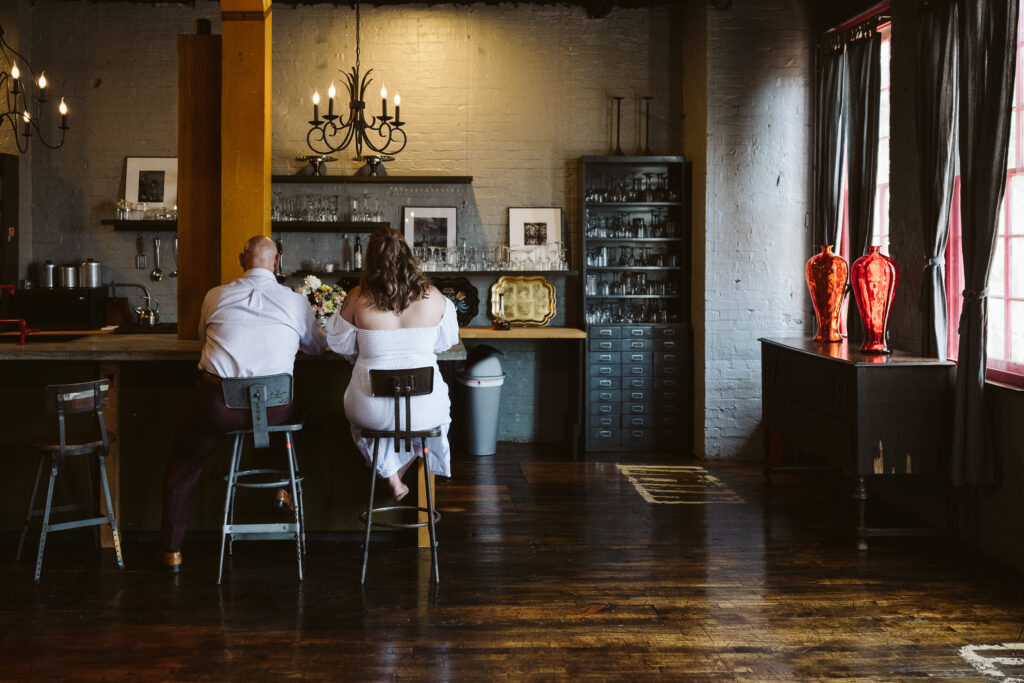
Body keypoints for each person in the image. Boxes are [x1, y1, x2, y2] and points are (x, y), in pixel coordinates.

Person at [157, 235, 327, 572]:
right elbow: (317, 349)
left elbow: (202, 333)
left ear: (240, 260)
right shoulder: (295, 302)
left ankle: (171, 551)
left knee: (185, 464)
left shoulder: (215, 296)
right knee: (295, 412)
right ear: (277, 262)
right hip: (276, 408)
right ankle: (284, 486)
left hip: (218, 406)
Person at [325, 226, 459, 500]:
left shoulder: (358, 297)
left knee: (368, 427)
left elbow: (339, 344)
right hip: (425, 406)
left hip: (370, 408)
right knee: (426, 426)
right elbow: (446, 342)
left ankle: (390, 476)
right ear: (409, 256)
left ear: (369, 260)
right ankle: (395, 476)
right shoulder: (434, 297)